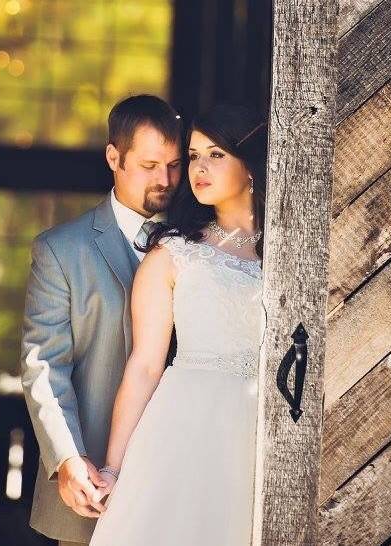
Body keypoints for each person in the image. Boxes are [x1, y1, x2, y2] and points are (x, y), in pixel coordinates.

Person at [89, 103, 268, 545]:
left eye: (216, 154)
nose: (198, 168)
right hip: (187, 426)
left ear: (251, 166)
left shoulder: (293, 254)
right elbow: (145, 364)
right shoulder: (173, 252)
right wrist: (113, 467)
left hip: (266, 430)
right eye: (192, 156)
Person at [19, 94, 183, 546]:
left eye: (173, 165)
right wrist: (68, 460)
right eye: (149, 165)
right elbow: (44, 365)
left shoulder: (206, 242)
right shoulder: (61, 250)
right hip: (94, 485)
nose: (165, 179)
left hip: (184, 472)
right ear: (114, 156)